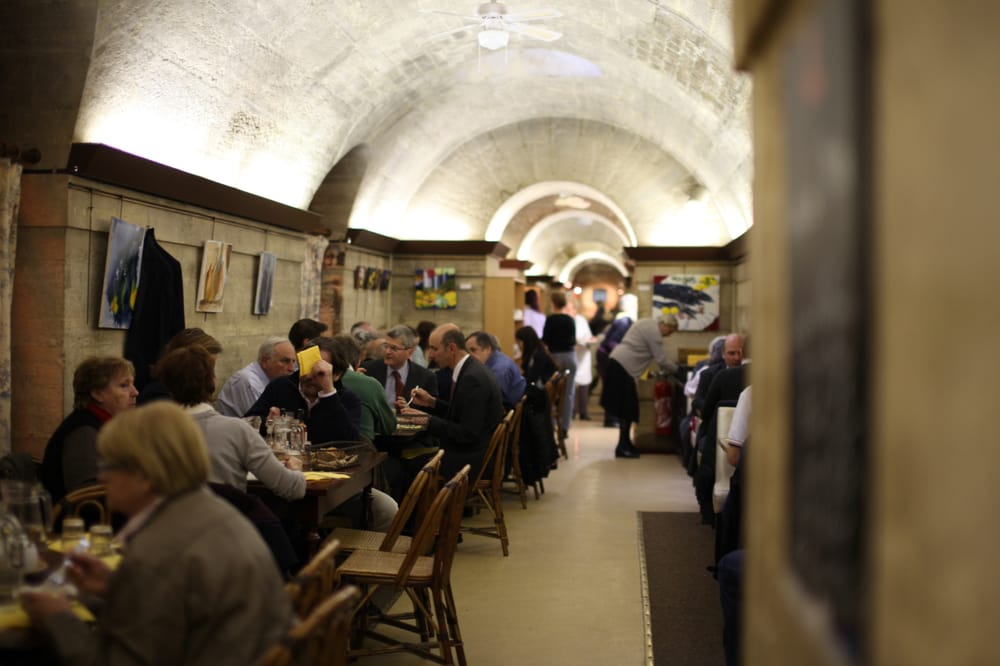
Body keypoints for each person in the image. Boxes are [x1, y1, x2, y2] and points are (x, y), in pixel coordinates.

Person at [20, 402, 293, 666]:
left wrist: (58, 618)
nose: (101, 477)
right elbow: (178, 605)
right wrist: (117, 586)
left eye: (109, 465)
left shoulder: (155, 552)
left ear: (146, 474)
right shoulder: (212, 511)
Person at [155, 345, 305, 501]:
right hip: (225, 521)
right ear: (212, 381)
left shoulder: (150, 432)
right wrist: (296, 468)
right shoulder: (236, 430)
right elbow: (293, 488)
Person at [407, 325, 504, 479]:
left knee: (407, 465)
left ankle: (435, 504)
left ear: (451, 348)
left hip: (471, 459)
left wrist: (425, 420)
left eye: (434, 348)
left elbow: (467, 433)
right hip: (472, 449)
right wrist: (432, 402)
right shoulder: (470, 368)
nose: (430, 355)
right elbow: (462, 413)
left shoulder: (472, 378)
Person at [40, 357, 138, 504]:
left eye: (132, 384)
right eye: (124, 385)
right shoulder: (83, 432)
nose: (135, 392)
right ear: (97, 394)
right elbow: (87, 498)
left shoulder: (105, 426)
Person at [245, 338, 362, 445]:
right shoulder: (281, 386)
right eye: (306, 367)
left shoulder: (348, 399)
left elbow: (350, 442)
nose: (309, 376)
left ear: (336, 374)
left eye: (319, 372)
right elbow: (248, 422)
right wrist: (271, 424)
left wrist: (329, 394)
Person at [600, 313, 679, 458]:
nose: (668, 335)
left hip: (617, 363)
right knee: (627, 409)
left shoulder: (645, 322)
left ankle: (624, 444)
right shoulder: (654, 332)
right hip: (623, 367)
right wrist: (678, 369)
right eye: (670, 331)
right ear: (666, 325)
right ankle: (623, 446)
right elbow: (661, 359)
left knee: (627, 408)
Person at [136, 327, 223, 405]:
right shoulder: (159, 396)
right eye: (206, 370)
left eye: (211, 370)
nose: (212, 378)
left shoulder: (188, 394)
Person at [214, 337, 297, 417]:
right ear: (265, 361)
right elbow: (257, 421)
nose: (292, 369)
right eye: (285, 361)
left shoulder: (275, 382)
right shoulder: (247, 381)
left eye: (293, 362)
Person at [543, 291, 578, 435]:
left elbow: (546, 339)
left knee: (552, 392)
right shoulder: (570, 320)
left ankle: (551, 424)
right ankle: (564, 426)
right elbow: (573, 340)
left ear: (553, 303)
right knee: (568, 392)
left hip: (555, 358)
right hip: (570, 356)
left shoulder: (550, 320)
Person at [466, 330, 526, 411]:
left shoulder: (500, 370)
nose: (469, 356)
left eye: (473, 350)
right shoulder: (497, 360)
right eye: (467, 352)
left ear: (488, 349)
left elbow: (493, 403)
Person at [568, 299, 596, 420]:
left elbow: (586, 337)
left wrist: (587, 341)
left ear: (575, 309)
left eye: (570, 308)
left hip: (582, 355)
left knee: (583, 385)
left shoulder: (581, 320)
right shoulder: (566, 321)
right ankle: (572, 412)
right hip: (571, 354)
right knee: (571, 385)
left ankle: (583, 412)